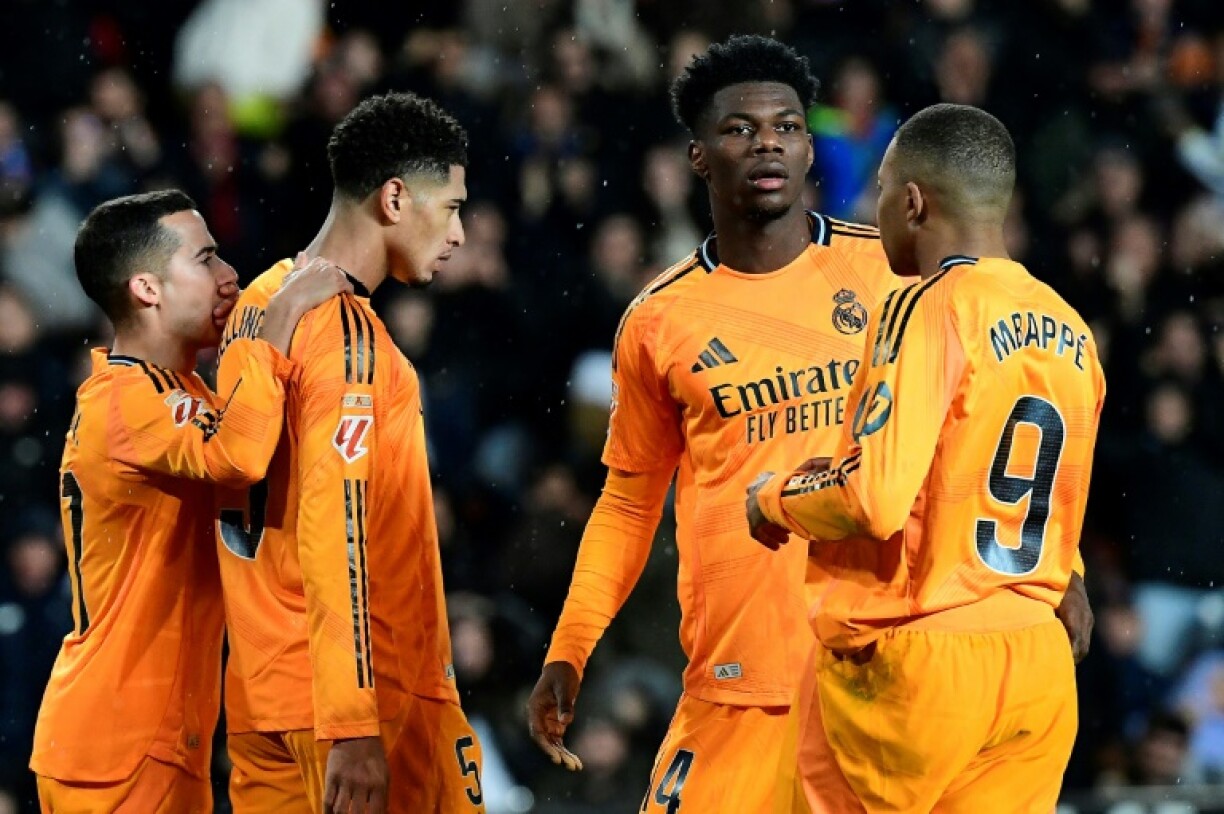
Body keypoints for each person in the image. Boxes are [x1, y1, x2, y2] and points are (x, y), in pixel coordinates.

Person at [526, 35, 901, 813]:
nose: (767, 142)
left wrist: (1053, 568)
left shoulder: (886, 275)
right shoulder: (660, 319)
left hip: (881, 673)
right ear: (699, 157)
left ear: (807, 146)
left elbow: (974, 428)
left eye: (787, 126)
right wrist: (570, 647)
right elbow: (629, 504)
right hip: (739, 687)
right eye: (739, 129)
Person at [746, 103, 1106, 811]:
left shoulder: (927, 305)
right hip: (1036, 659)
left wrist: (773, 500)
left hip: (919, 667)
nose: (873, 208)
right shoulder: (1071, 326)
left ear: (912, 201)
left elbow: (872, 500)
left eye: (880, 189)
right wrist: (1070, 579)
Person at [29, 189, 350, 813]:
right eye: (205, 260)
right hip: (115, 746)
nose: (228, 276)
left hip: (164, 737)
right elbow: (240, 455)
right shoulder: (124, 400)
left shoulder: (181, 390)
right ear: (147, 288)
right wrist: (277, 319)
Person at [215, 92, 485, 814]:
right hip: (363, 706)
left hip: (262, 694)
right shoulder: (347, 336)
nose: (461, 232)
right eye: (453, 206)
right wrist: (353, 723)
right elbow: (338, 528)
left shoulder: (260, 304)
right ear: (395, 197)